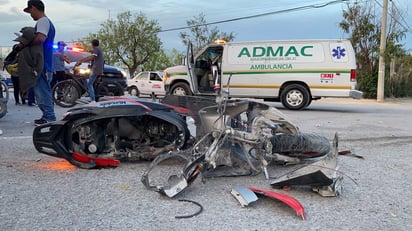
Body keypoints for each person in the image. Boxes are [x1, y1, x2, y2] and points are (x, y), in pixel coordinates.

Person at [23, 0, 56, 125]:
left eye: (30, 11)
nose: (30, 14)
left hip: (42, 63)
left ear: (34, 8)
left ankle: (50, 118)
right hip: (45, 63)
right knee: (42, 91)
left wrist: (26, 43)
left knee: (42, 92)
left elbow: (40, 38)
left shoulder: (42, 21)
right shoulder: (47, 22)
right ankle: (47, 116)